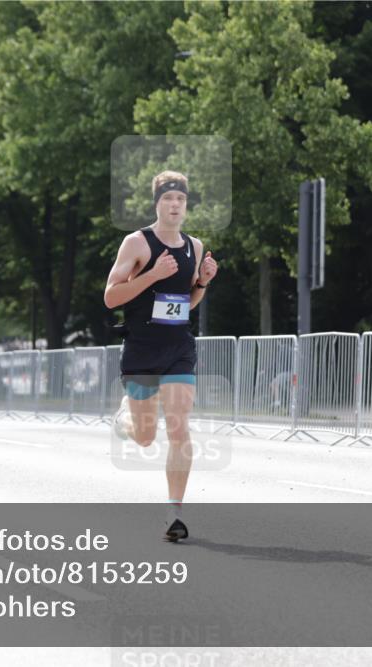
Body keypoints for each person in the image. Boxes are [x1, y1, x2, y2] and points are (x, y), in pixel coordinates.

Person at [104, 170, 218, 542]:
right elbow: (111, 297)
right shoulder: (137, 244)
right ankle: (126, 419)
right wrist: (152, 274)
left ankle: (174, 513)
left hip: (178, 348)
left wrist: (202, 282)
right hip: (141, 349)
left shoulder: (194, 246)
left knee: (180, 424)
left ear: (187, 205)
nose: (174, 205)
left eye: (181, 200)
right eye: (168, 199)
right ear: (157, 203)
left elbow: (186, 302)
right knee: (145, 438)